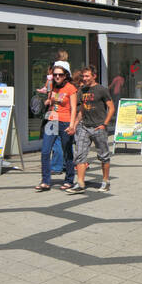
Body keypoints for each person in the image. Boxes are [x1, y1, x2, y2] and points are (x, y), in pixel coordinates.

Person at [70, 66, 114, 193]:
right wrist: (74, 124)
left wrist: (104, 124)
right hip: (84, 126)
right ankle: (80, 183)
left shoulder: (101, 90)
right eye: (83, 76)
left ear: (94, 76)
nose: (84, 79)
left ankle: (105, 181)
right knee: (80, 155)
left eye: (87, 76)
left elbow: (111, 108)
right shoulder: (82, 90)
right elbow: (82, 109)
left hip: (98, 127)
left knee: (103, 156)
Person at [36, 63, 77, 191]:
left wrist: (72, 125)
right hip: (51, 120)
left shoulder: (71, 88)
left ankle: (69, 180)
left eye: (60, 74)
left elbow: (74, 108)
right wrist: (46, 102)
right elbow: (49, 101)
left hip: (65, 122)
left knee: (67, 151)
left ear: (65, 76)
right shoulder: (52, 86)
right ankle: (45, 181)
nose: (57, 77)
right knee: (45, 151)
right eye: (55, 74)